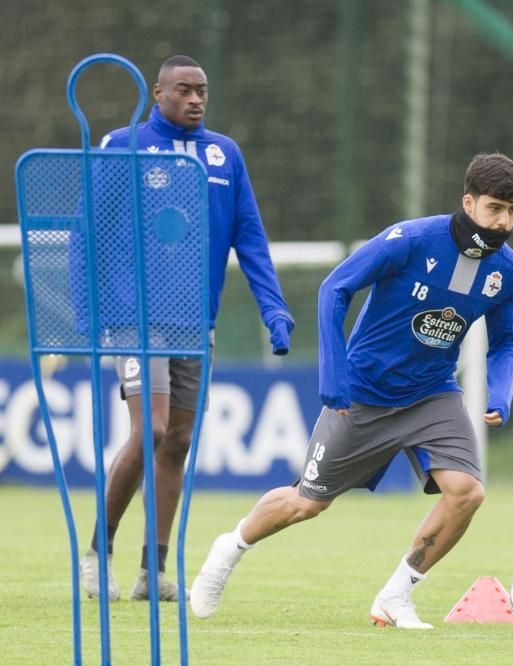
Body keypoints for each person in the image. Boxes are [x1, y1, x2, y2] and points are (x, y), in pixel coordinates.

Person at [189, 152, 513, 628]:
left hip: (433, 393)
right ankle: (230, 548)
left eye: (512, 211)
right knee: (307, 502)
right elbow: (334, 289)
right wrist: (334, 374)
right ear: (468, 202)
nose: (504, 221)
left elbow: (505, 341)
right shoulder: (410, 240)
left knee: (467, 492)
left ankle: (396, 595)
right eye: (495, 208)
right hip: (364, 393)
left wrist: (500, 391)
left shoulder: (507, 272)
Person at [79, 55, 295, 602]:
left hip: (195, 323)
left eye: (203, 91)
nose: (196, 99)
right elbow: (87, 233)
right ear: (157, 93)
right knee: (149, 430)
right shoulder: (121, 146)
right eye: (184, 90)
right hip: (135, 320)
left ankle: (153, 572)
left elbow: (250, 238)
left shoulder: (225, 155)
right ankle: (96, 553)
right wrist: (85, 315)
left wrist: (274, 310)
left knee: (176, 442)